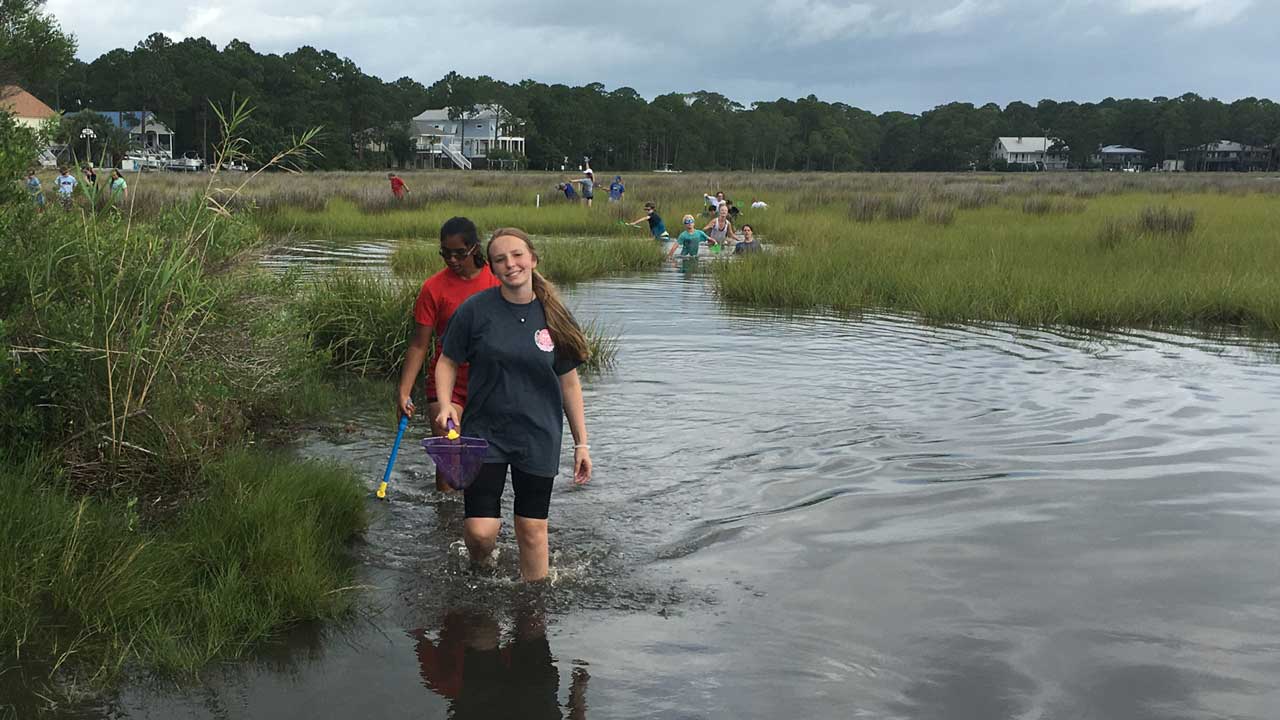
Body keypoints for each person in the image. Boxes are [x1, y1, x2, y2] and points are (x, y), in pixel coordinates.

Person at [435, 228, 592, 582]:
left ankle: (532, 614)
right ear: (492, 267)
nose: (511, 264)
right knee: (480, 532)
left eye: (518, 255)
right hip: (483, 433)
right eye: (501, 259)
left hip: (538, 437)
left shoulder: (556, 315)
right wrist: (446, 404)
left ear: (533, 259)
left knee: (532, 530)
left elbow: (569, 383)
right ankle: (481, 566)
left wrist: (581, 443)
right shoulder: (475, 311)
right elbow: (447, 360)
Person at [398, 217, 501, 492]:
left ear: (475, 248)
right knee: (450, 462)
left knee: (482, 466)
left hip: (487, 384)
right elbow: (419, 344)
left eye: (459, 253)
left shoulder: (497, 280)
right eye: (446, 253)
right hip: (446, 383)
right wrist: (404, 392)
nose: (452, 260)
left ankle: (474, 526)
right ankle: (446, 527)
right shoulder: (433, 288)